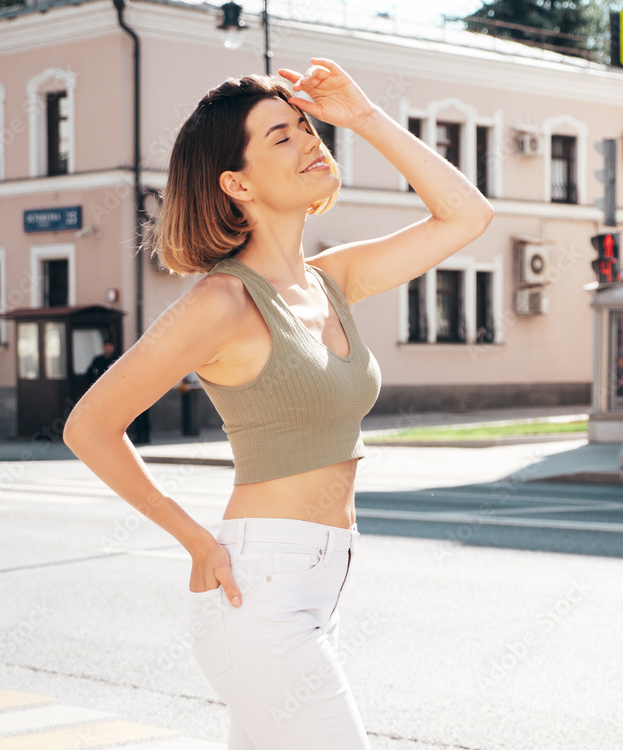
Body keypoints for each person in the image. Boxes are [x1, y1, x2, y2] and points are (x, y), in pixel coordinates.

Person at [62, 58, 493, 749]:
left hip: (321, 585)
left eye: (305, 127)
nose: (309, 141)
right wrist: (193, 536)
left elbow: (467, 214)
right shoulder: (221, 302)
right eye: (281, 138)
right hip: (258, 588)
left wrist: (362, 116)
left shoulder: (332, 281)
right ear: (236, 183)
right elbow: (90, 425)